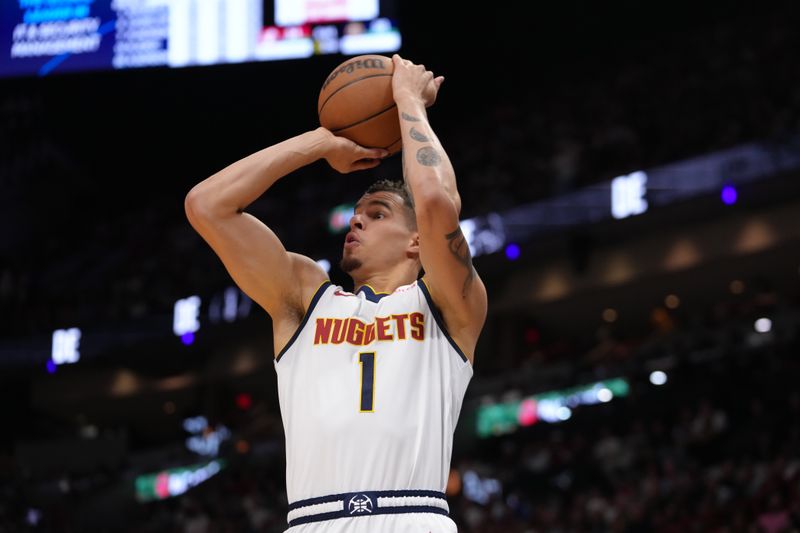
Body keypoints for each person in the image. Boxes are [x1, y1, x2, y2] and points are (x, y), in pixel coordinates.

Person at [184, 54, 487, 532]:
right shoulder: (304, 297)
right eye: (355, 214)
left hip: (412, 517)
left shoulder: (448, 304)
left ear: (416, 241)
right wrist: (319, 143)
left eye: (378, 212)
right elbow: (207, 206)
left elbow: (433, 200)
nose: (357, 219)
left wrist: (408, 100)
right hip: (313, 521)